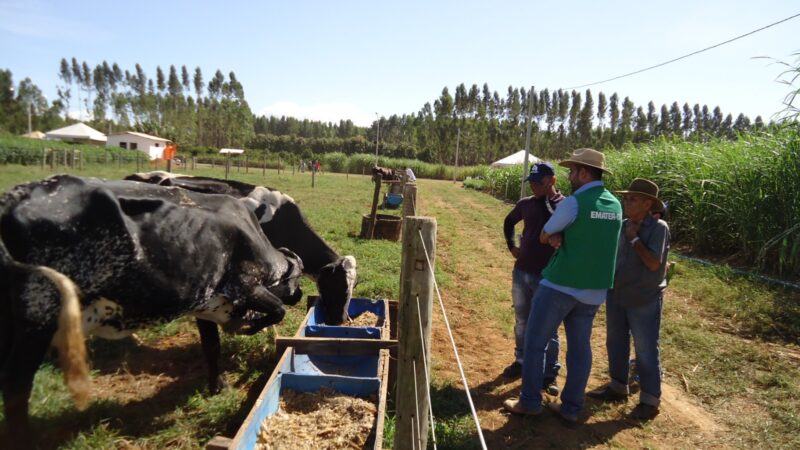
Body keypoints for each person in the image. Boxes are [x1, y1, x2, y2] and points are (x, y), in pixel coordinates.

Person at [503, 148, 622, 425]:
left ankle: (530, 401)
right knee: (580, 349)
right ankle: (571, 407)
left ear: (583, 172)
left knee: (534, 342)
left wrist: (555, 234)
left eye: (572, 171)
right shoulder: (614, 204)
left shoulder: (575, 202)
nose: (570, 176)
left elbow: (545, 235)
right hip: (594, 291)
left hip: (560, 285)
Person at [586, 178, 670, 421]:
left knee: (645, 349)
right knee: (615, 341)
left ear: (647, 203)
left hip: (643, 297)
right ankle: (618, 386)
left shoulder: (659, 228)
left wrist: (634, 239)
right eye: (625, 197)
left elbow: (654, 263)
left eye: (632, 199)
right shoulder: (622, 224)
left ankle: (650, 400)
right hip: (617, 292)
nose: (626, 202)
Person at [501, 162, 564, 397]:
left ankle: (549, 374)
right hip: (521, 272)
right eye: (533, 183)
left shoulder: (565, 207)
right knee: (522, 321)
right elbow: (509, 222)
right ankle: (522, 361)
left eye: (539, 182)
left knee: (550, 328)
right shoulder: (526, 204)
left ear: (552, 181)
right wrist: (512, 245)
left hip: (548, 276)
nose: (535, 186)